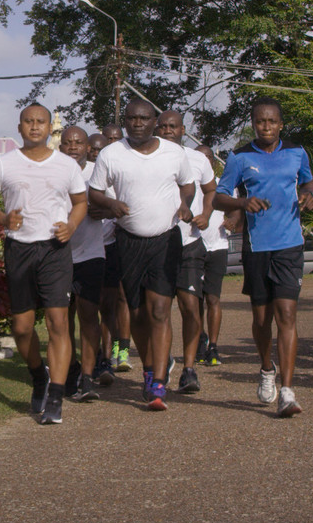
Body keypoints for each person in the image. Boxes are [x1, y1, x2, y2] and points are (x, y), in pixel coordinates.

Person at [0, 103, 88, 424]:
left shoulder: (67, 165)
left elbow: (80, 203)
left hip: (54, 249)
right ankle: (39, 376)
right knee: (22, 328)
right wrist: (3, 217)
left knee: (58, 323)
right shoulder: (4, 164)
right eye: (29, 122)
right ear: (20, 127)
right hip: (19, 249)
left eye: (41, 122)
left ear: (50, 127)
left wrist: (72, 225)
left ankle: (55, 396)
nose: (35, 127)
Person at [87, 100, 197, 411]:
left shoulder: (174, 153)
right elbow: (95, 191)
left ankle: (159, 382)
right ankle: (148, 369)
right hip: (128, 241)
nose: (137, 123)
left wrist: (185, 204)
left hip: (164, 240)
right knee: (136, 313)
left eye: (144, 118)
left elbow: (187, 185)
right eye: (132, 118)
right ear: (125, 121)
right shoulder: (112, 154)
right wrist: (111, 205)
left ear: (154, 121)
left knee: (160, 309)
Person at [214, 98, 313, 417]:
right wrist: (244, 204)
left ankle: (287, 390)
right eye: (260, 122)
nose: (266, 127)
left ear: (281, 124)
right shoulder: (240, 157)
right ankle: (265, 367)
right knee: (262, 319)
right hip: (257, 246)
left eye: (272, 122)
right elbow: (219, 197)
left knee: (286, 313)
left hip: (289, 243)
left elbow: (308, 180)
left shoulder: (296, 152)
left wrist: (308, 195)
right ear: (253, 124)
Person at [157, 111, 216, 394]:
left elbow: (212, 189)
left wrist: (205, 212)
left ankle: (189, 369)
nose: (168, 130)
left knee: (191, 307)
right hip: (156, 243)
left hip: (189, 241)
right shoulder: (146, 158)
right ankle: (163, 360)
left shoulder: (198, 159)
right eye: (163, 126)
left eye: (173, 126)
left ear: (183, 129)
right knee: (158, 310)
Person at [57, 126, 115, 401]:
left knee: (89, 314)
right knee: (61, 318)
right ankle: (70, 370)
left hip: (91, 253)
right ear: (60, 146)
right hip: (57, 255)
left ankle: (88, 377)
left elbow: (114, 207)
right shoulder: (53, 170)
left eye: (78, 142)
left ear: (86, 146)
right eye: (67, 142)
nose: (73, 147)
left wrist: (100, 210)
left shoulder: (97, 171)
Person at [89, 133, 133, 376]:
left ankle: (119, 351)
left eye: (101, 149)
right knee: (91, 305)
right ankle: (95, 355)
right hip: (87, 249)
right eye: (93, 150)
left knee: (117, 301)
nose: (97, 153)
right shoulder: (83, 174)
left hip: (115, 245)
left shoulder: (118, 172)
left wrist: (113, 214)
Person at [195, 144, 237, 367]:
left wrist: (233, 221)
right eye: (199, 158)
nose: (204, 161)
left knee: (213, 298)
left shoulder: (222, 186)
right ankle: (199, 341)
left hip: (217, 247)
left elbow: (234, 211)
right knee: (194, 301)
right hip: (193, 247)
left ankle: (214, 345)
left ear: (212, 161)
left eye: (208, 158)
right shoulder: (188, 184)